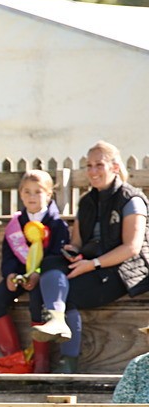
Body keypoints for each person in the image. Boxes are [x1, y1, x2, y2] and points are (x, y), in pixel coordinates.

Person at [60, 141, 149, 373]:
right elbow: (77, 242)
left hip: (124, 270)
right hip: (92, 264)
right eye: (89, 165)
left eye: (99, 164)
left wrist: (92, 264)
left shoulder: (132, 199)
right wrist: (69, 253)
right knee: (49, 278)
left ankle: (69, 365)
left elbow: (131, 248)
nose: (93, 171)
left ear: (115, 167)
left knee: (66, 294)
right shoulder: (86, 201)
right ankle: (35, 361)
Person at [0, 170, 79, 373]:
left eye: (38, 192)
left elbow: (57, 255)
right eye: (27, 192)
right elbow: (9, 255)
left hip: (43, 277)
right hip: (20, 276)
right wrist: (10, 275)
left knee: (37, 300)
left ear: (48, 195)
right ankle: (15, 359)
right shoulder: (15, 224)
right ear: (20, 195)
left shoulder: (57, 224)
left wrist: (37, 273)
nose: (32, 196)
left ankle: (42, 362)